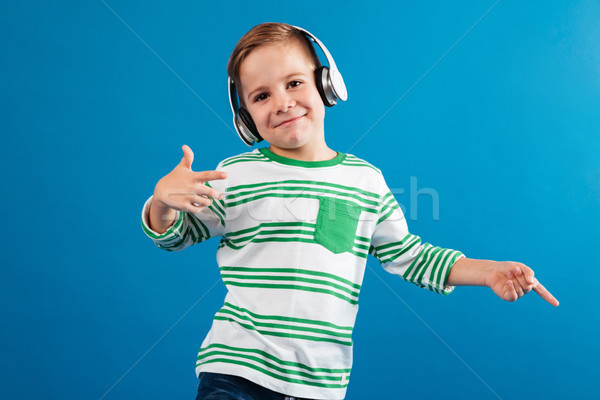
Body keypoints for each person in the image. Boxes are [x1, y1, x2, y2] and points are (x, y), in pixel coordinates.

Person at [140, 22, 558, 400]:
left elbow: (410, 256)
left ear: (326, 84)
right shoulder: (236, 173)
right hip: (235, 371)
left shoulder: (366, 181)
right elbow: (176, 235)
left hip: (320, 384)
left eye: (294, 83)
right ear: (245, 117)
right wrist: (162, 202)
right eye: (262, 95)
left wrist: (487, 272)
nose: (282, 102)